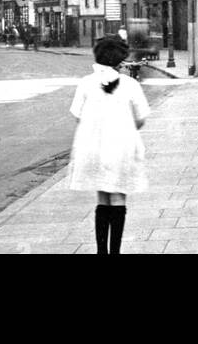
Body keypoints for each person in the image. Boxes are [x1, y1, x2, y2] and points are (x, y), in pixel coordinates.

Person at [68, 34, 150, 255]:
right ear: (120, 60)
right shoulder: (131, 85)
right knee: (119, 195)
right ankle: (115, 251)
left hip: (93, 147)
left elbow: (77, 115)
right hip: (122, 147)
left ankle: (101, 251)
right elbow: (141, 118)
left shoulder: (86, 83)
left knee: (102, 196)